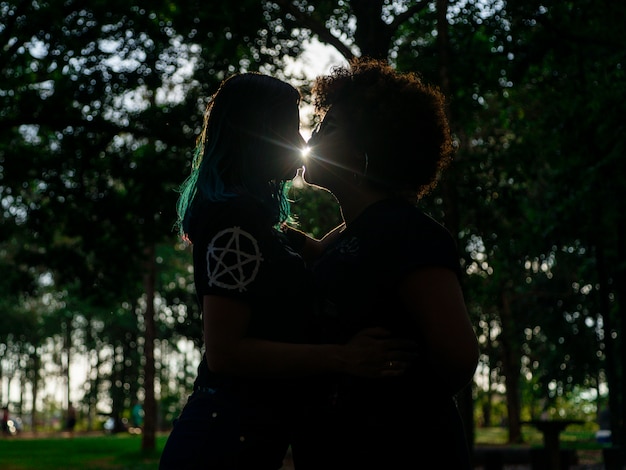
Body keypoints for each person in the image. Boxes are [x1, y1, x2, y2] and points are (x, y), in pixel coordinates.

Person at [158, 71, 416, 470]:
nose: (301, 144)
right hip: (219, 443)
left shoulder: (263, 227)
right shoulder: (234, 224)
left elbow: (320, 248)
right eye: (288, 130)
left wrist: (383, 198)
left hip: (244, 440)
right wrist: (343, 358)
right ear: (254, 134)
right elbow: (225, 353)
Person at [294, 57, 480, 469]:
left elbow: (458, 356)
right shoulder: (345, 235)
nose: (315, 133)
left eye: (332, 126)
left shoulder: (409, 233)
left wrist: (388, 405)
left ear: (367, 150)